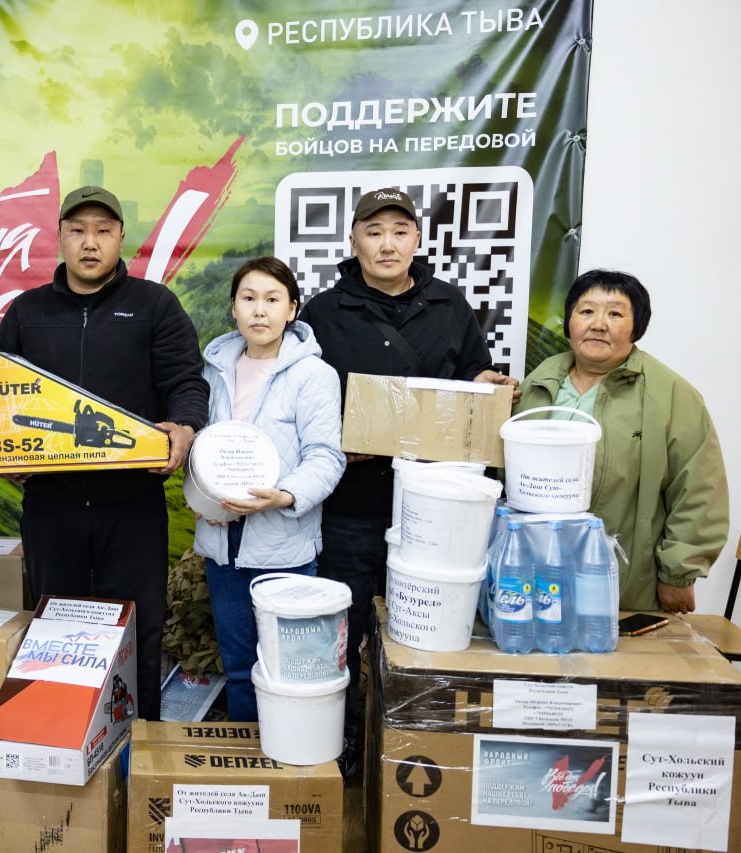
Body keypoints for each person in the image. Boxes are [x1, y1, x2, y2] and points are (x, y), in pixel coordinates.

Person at [295, 187, 518, 768]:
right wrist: (337, 439)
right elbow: (303, 398)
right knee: (342, 630)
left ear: (418, 239)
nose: (387, 244)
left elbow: (472, 377)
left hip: (434, 507)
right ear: (353, 242)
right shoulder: (322, 312)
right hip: (350, 504)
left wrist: (487, 387)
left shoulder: (450, 304)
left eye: (399, 231)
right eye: (374, 232)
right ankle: (340, 746)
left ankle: (413, 752)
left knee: (426, 630)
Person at [0, 185, 209, 720]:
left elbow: (185, 380)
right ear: (60, 237)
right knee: (56, 629)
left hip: (132, 505)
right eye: (78, 231)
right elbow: (0, 394)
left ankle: (138, 746)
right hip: (52, 506)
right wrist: (5, 451)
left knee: (139, 629)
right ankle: (60, 742)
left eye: (103, 231)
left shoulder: (155, 305)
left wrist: (185, 425)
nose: (90, 243)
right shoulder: (26, 311)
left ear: (121, 238)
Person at [516, 269, 728, 613]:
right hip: (534, 573)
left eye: (615, 314)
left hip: (623, 583)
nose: (598, 324)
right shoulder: (539, 382)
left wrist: (678, 574)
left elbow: (699, 490)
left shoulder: (671, 394)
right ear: (569, 321)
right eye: (586, 311)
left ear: (636, 327)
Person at [193, 257, 346, 721]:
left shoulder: (313, 375)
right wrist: (202, 497)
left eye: (272, 299)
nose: (260, 310)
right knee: (240, 667)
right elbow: (202, 447)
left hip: (283, 544)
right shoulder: (213, 370)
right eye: (249, 298)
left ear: (292, 310)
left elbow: (326, 457)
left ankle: (291, 752)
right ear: (234, 308)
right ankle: (249, 756)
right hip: (223, 542)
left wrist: (285, 496)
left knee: (289, 668)